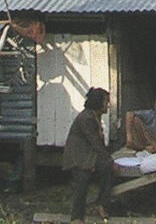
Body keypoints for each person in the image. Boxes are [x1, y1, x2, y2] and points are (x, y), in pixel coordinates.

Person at [63, 87, 113, 224]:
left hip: (88, 154)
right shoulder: (87, 118)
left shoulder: (95, 116)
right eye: (106, 102)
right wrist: (107, 157)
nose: (108, 105)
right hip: (78, 156)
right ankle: (77, 217)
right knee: (82, 181)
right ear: (98, 103)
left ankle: (102, 204)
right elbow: (95, 141)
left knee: (106, 169)